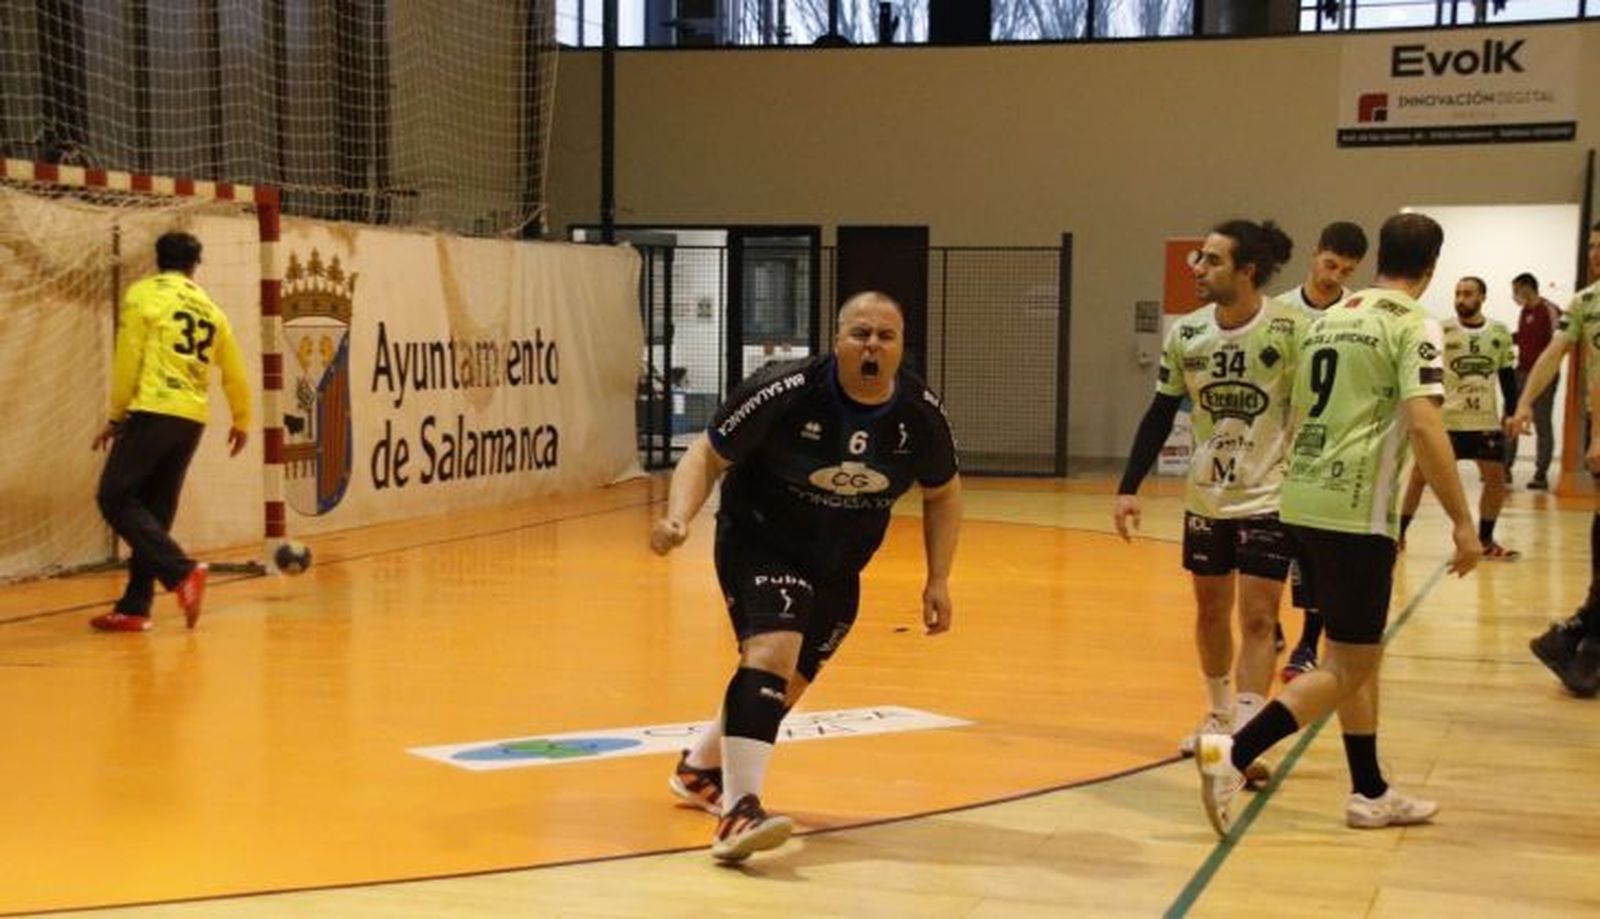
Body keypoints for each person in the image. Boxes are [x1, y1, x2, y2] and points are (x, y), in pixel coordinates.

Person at [650, 291, 962, 862]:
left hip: (839, 566)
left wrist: (938, 578)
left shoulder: (919, 414)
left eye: (885, 336)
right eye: (860, 334)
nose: (872, 346)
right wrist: (678, 517)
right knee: (772, 652)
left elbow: (943, 493)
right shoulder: (786, 389)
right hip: (760, 540)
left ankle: (700, 772)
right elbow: (707, 454)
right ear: (837, 341)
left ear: (901, 347)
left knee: (783, 686)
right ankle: (739, 812)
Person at [1196, 213, 1480, 836]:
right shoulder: (1413, 323)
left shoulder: (1333, 316)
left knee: (1352, 653)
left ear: (1378, 257)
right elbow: (1426, 424)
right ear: (1432, 266)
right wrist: (1464, 522)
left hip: (1301, 500)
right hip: (1356, 510)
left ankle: (1369, 791)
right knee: (1349, 666)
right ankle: (1234, 753)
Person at [1115, 219, 1303, 782]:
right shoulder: (1188, 334)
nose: (1198, 268)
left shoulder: (1291, 330)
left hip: (1269, 495)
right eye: (1199, 257)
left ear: (1247, 271)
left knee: (1260, 616)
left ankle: (1244, 738)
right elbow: (1159, 413)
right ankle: (1218, 714)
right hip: (1206, 499)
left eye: (1213, 260)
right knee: (1211, 611)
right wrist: (1128, 486)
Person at [90, 231, 251, 632]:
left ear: (157, 259)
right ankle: (135, 606)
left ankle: (182, 572)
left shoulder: (144, 294)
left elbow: (128, 356)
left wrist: (116, 415)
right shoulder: (211, 309)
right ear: (195, 266)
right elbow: (234, 370)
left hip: (154, 409)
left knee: (114, 496)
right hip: (191, 419)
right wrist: (242, 419)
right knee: (155, 511)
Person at [1273, 221, 1370, 683]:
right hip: (1278, 444)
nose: (1334, 276)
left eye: (1346, 270)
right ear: (1315, 255)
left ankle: (1309, 641)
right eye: (1330, 264)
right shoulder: (1280, 310)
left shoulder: (1357, 312)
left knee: (1315, 553)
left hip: (1329, 445)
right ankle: (1267, 621)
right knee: (1272, 542)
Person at [1510, 221, 1600, 697]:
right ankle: (1582, 641)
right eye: (1592, 246)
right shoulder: (1585, 302)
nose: (1595, 254)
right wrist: (1524, 402)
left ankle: (1576, 636)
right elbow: (1552, 354)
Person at [1398, 276, 1520, 559]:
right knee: (1419, 477)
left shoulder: (1499, 332)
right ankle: (1399, 535)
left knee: (1496, 479)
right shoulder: (1441, 330)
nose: (1461, 299)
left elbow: (1507, 377)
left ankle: (1486, 539)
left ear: (1482, 297)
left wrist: (1512, 412)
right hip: (1447, 421)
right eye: (1458, 293)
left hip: (1484, 422)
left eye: (1468, 294)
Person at [1509, 272, 1562, 489]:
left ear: (1527, 287)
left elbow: (1559, 341)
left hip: (1544, 376)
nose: (1514, 295)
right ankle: (1504, 469)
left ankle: (1541, 474)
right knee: (1510, 418)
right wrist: (1506, 338)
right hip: (1520, 373)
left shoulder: (1550, 310)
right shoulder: (1524, 311)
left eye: (1515, 290)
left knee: (1542, 422)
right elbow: (1525, 338)